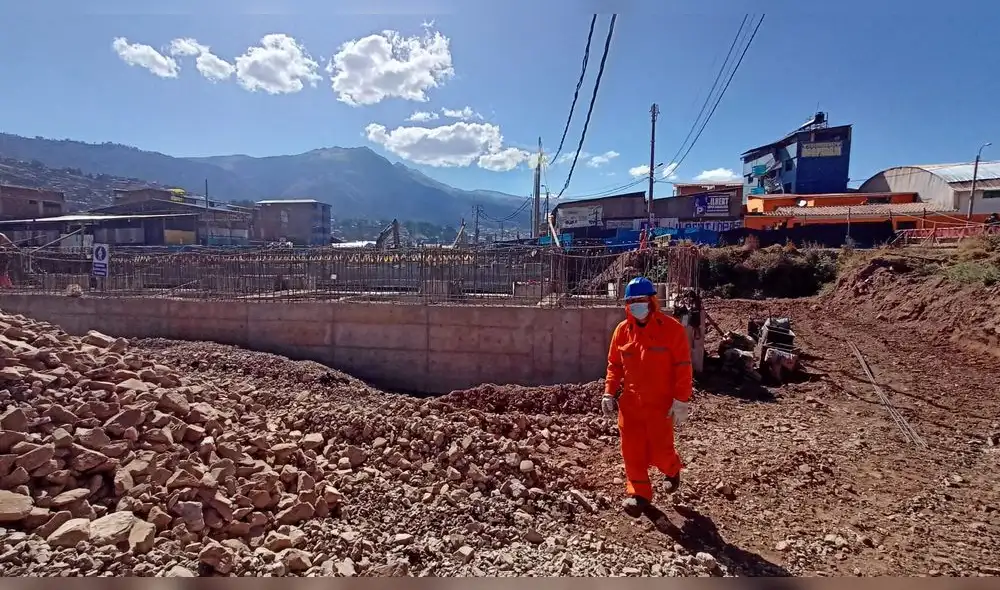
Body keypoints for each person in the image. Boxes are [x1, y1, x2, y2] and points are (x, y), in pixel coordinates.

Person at [603, 276, 693, 517]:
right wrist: (609, 393)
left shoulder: (672, 329)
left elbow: (683, 366)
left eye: (641, 300)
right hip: (631, 404)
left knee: (661, 451)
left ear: (652, 301)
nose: (636, 305)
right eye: (632, 301)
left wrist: (681, 399)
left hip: (660, 405)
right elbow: (614, 365)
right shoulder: (623, 331)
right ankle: (639, 495)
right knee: (631, 452)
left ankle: (672, 470)